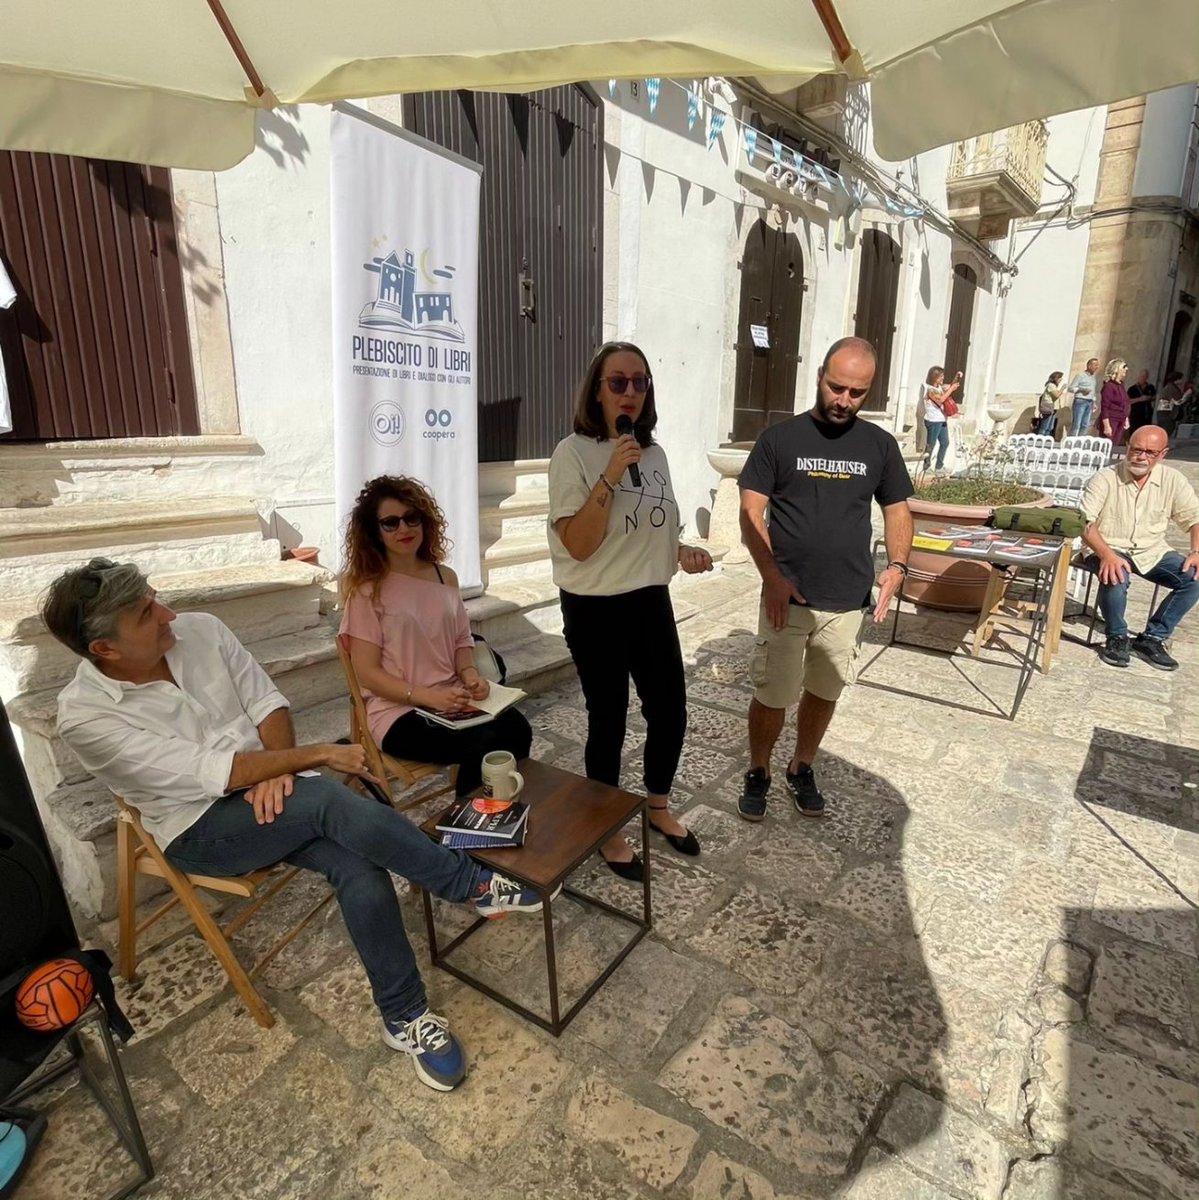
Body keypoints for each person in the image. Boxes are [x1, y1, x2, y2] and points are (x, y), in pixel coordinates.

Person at [44, 558, 552, 1093]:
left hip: (277, 785)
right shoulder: (86, 717)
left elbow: (268, 705)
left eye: (155, 596)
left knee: (357, 860)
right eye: (147, 613)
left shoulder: (200, 631)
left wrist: (280, 765)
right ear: (105, 649)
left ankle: (404, 1018)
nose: (167, 613)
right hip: (201, 825)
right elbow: (214, 774)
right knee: (328, 801)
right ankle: (468, 882)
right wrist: (313, 759)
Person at [548, 341, 713, 881]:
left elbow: (653, 527)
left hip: (649, 600)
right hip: (595, 608)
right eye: (617, 382)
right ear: (596, 391)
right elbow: (578, 543)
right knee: (609, 719)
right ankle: (607, 826)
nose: (631, 392)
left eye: (640, 382)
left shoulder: (656, 454)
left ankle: (659, 806)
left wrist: (681, 552)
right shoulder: (570, 454)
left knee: (670, 711)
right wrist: (611, 475)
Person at [737, 336, 914, 821]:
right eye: (837, 387)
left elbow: (898, 508)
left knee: (824, 689)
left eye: (857, 393)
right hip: (787, 596)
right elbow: (750, 511)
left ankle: (802, 765)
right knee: (773, 692)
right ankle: (758, 769)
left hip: (847, 597)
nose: (844, 400)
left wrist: (897, 566)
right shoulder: (779, 439)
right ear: (819, 376)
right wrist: (771, 576)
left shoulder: (879, 445)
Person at [339, 475, 532, 799]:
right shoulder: (367, 591)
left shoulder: (445, 577)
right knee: (482, 745)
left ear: (424, 520)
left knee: (517, 729)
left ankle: (498, 811)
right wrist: (429, 697)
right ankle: (472, 833)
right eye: (390, 522)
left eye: (411, 517)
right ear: (375, 531)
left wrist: (470, 674)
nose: (404, 528)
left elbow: (461, 640)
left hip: (453, 698)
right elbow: (367, 674)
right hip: (399, 711)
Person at [1080, 425, 1199, 671]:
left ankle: (1152, 638)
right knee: (1116, 573)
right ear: (1127, 447)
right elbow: (1084, 522)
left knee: (1194, 578)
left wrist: (1197, 552)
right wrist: (1107, 554)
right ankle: (1116, 637)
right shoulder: (1105, 478)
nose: (1141, 456)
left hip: (1151, 549)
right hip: (1107, 545)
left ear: (1162, 454)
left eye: (1150, 452)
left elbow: (1194, 518)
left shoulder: (1173, 480)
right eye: (1136, 450)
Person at [919, 365, 961, 472]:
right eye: (940, 376)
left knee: (945, 443)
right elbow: (941, 399)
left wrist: (957, 376)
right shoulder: (930, 390)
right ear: (934, 377)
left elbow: (950, 386)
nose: (942, 378)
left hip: (942, 420)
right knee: (931, 444)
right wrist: (951, 389)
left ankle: (939, 466)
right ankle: (926, 466)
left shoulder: (939, 387)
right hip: (933, 420)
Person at [1097, 359, 1131, 450]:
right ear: (1117, 369)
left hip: (1121, 419)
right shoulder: (1109, 386)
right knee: (1106, 446)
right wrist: (1107, 426)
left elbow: (1125, 402)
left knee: (1114, 446)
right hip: (1111, 419)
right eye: (1123, 368)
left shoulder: (1121, 385)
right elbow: (1105, 407)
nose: (1126, 370)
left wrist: (1126, 418)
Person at [1066, 357, 1100, 438]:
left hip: (1089, 402)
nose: (1097, 367)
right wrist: (1082, 389)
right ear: (1089, 365)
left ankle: (1080, 442)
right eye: (1095, 365)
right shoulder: (1080, 375)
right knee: (1076, 424)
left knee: (1085, 424)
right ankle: (1071, 441)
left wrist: (1094, 402)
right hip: (1080, 401)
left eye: (1098, 365)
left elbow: (1093, 390)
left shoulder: (1093, 377)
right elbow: (1070, 388)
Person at [1035, 372, 1066, 436]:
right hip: (1048, 407)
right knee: (1045, 426)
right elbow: (1056, 395)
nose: (1060, 381)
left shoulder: (1054, 386)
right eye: (1060, 379)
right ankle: (1040, 440)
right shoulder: (1051, 385)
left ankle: (1046, 440)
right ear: (1056, 378)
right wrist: (1062, 388)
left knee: (1050, 427)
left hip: (1052, 407)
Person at [1156, 371, 1184, 439]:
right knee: (1166, 431)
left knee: (1164, 430)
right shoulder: (1172, 388)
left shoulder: (1169, 387)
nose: (1182, 380)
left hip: (1164, 412)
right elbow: (1178, 401)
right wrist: (1186, 395)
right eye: (1180, 379)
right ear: (1176, 379)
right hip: (1167, 413)